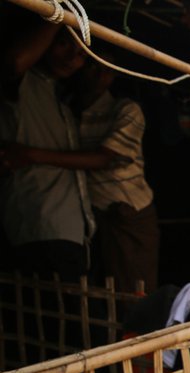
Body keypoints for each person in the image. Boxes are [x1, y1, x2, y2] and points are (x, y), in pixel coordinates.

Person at [0, 20, 92, 279]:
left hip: (68, 227)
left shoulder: (61, 99)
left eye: (83, 54)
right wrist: (58, 14)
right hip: (39, 222)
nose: (72, 58)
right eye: (64, 44)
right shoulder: (24, 83)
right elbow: (14, 62)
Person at [75, 52, 158, 292]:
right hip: (91, 217)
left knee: (134, 293)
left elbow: (105, 158)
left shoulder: (126, 110)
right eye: (94, 67)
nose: (101, 76)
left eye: (108, 70)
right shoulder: (68, 108)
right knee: (99, 291)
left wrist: (33, 155)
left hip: (129, 213)